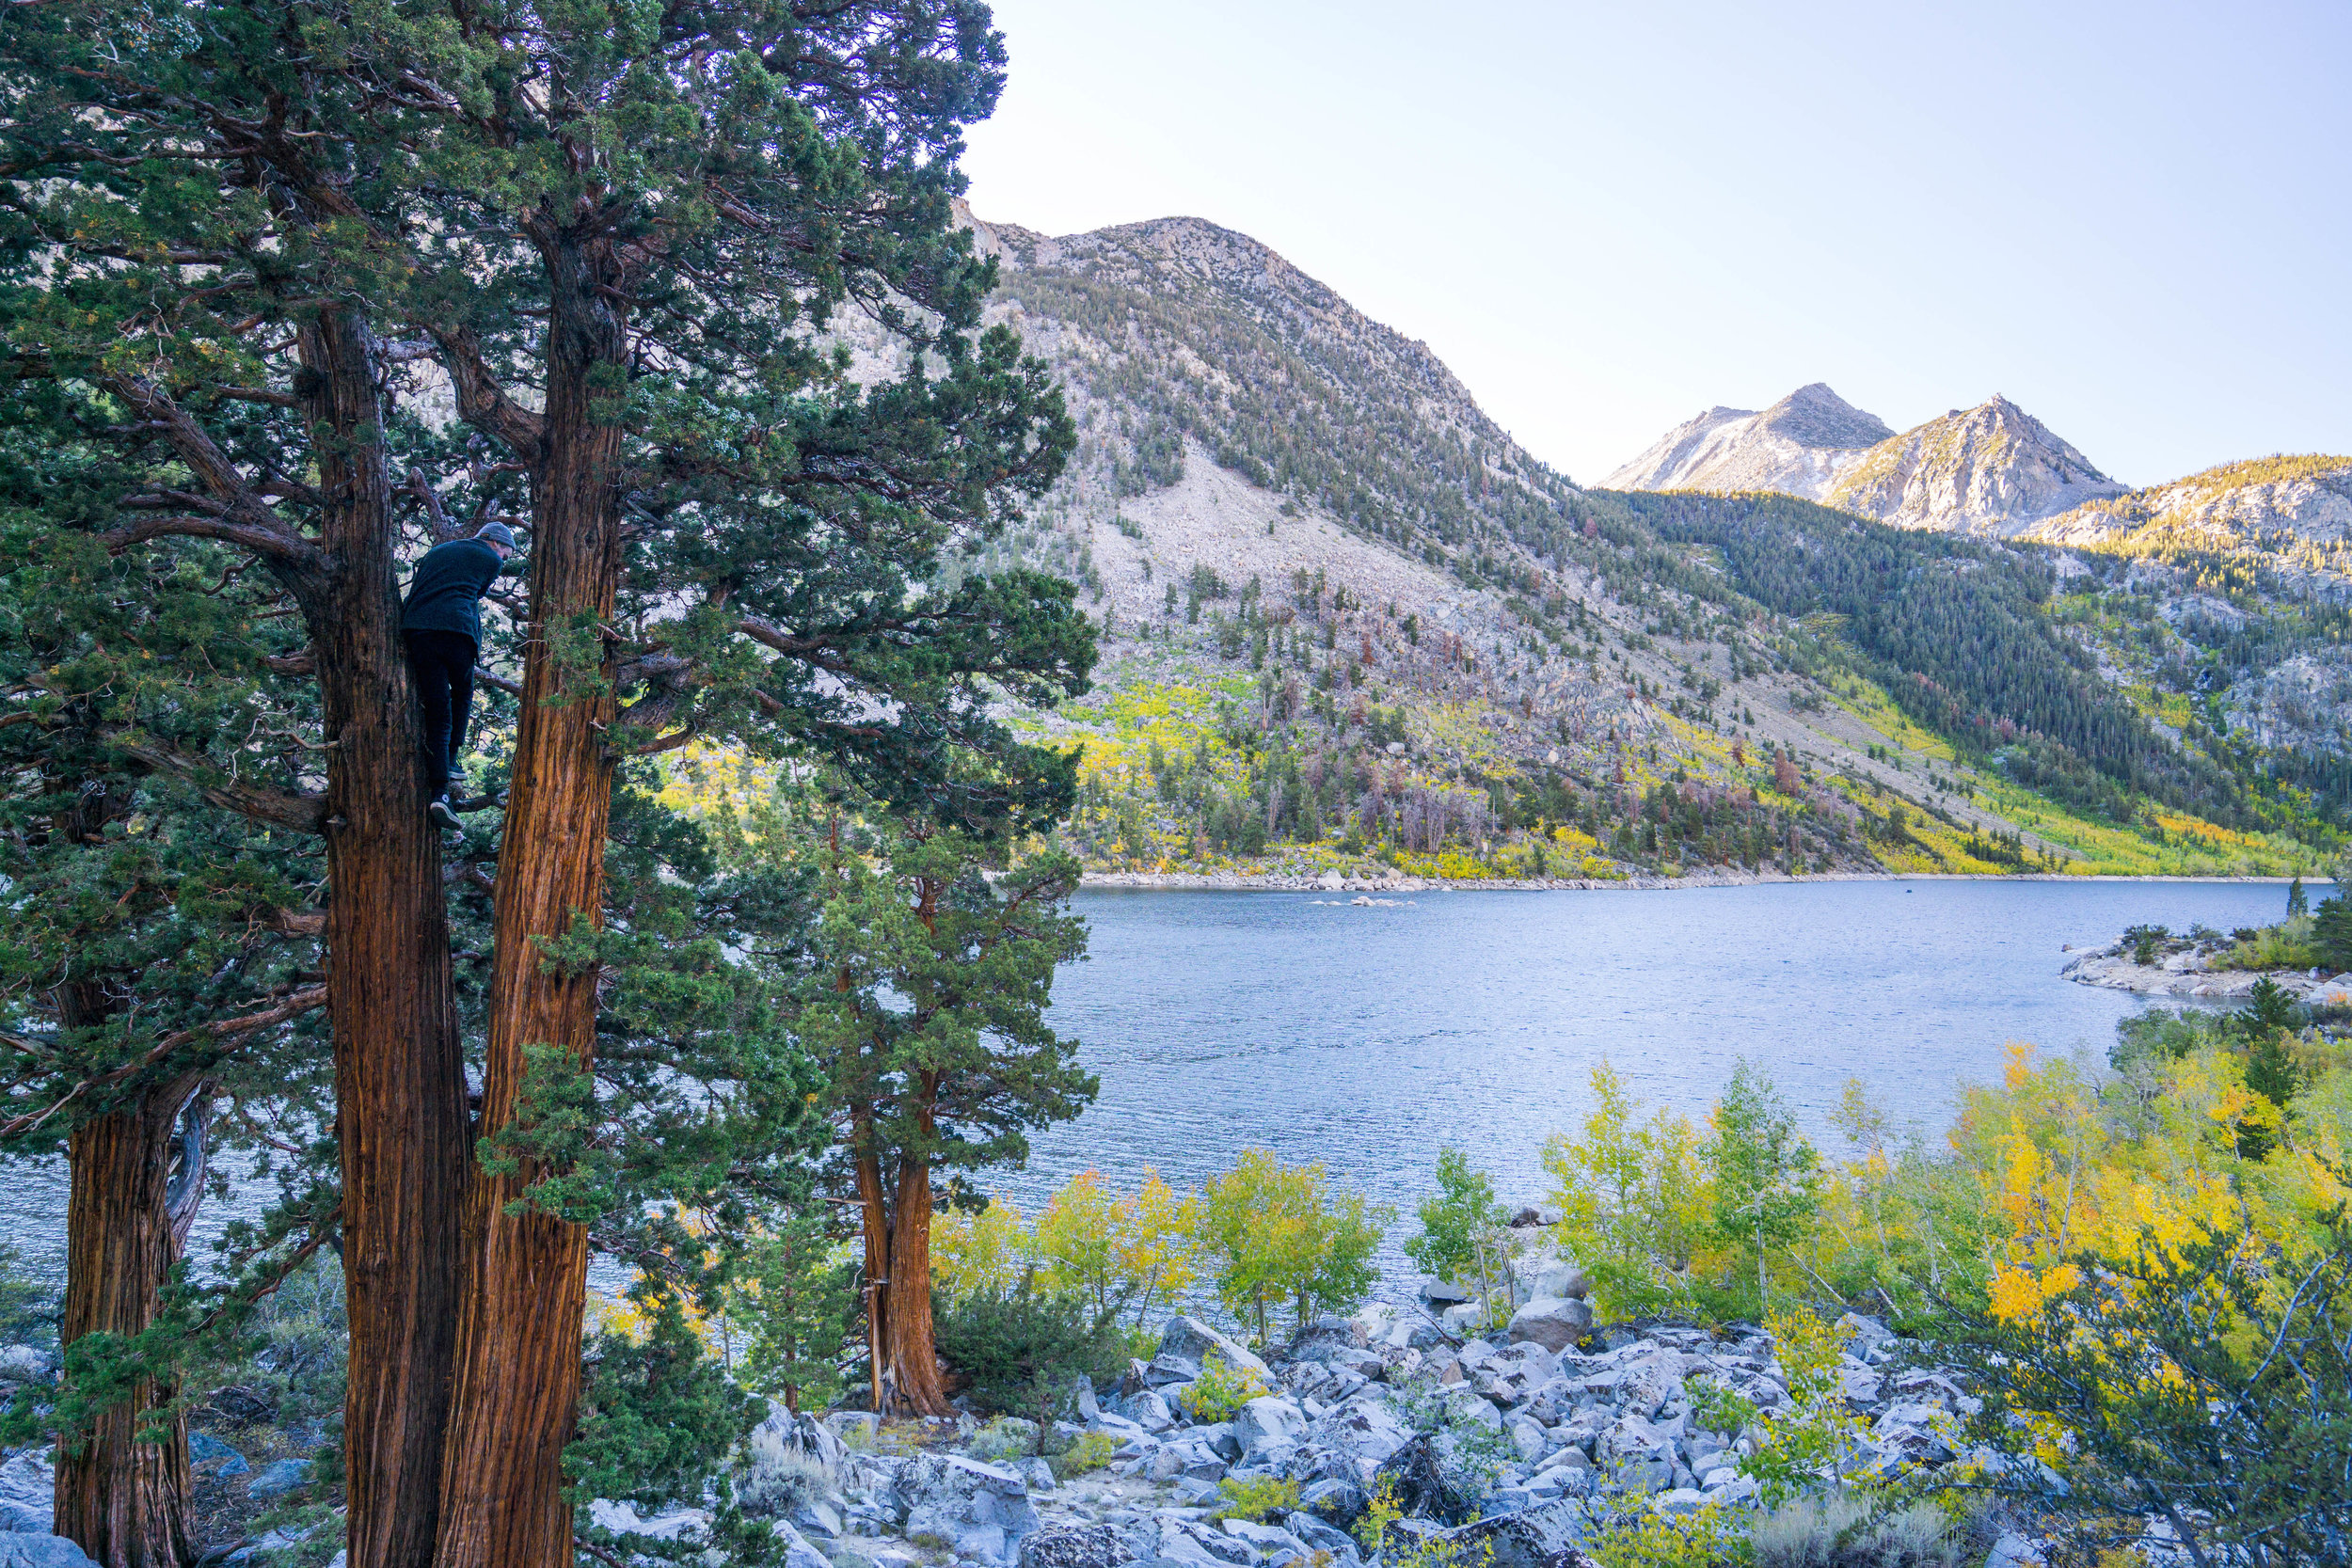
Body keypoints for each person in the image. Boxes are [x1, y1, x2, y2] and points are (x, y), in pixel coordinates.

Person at [401, 521, 520, 828]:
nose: (504, 560)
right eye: (506, 554)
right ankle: (451, 761)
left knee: (438, 710)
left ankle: (440, 794)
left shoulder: (438, 551)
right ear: (495, 542)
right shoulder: (490, 559)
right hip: (456, 632)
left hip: (417, 632)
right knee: (462, 694)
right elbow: (476, 593)